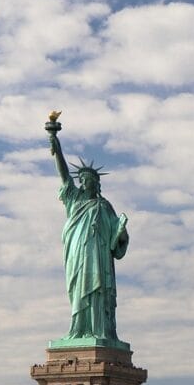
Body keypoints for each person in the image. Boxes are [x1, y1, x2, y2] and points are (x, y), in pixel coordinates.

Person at [46, 114, 129, 344]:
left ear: (96, 183)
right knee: (79, 290)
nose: (84, 183)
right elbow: (63, 174)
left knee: (99, 293)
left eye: (88, 180)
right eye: (81, 179)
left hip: (99, 258)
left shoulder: (105, 206)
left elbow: (117, 239)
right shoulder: (74, 201)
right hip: (78, 255)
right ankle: (79, 329)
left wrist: (121, 233)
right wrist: (55, 142)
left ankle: (100, 332)